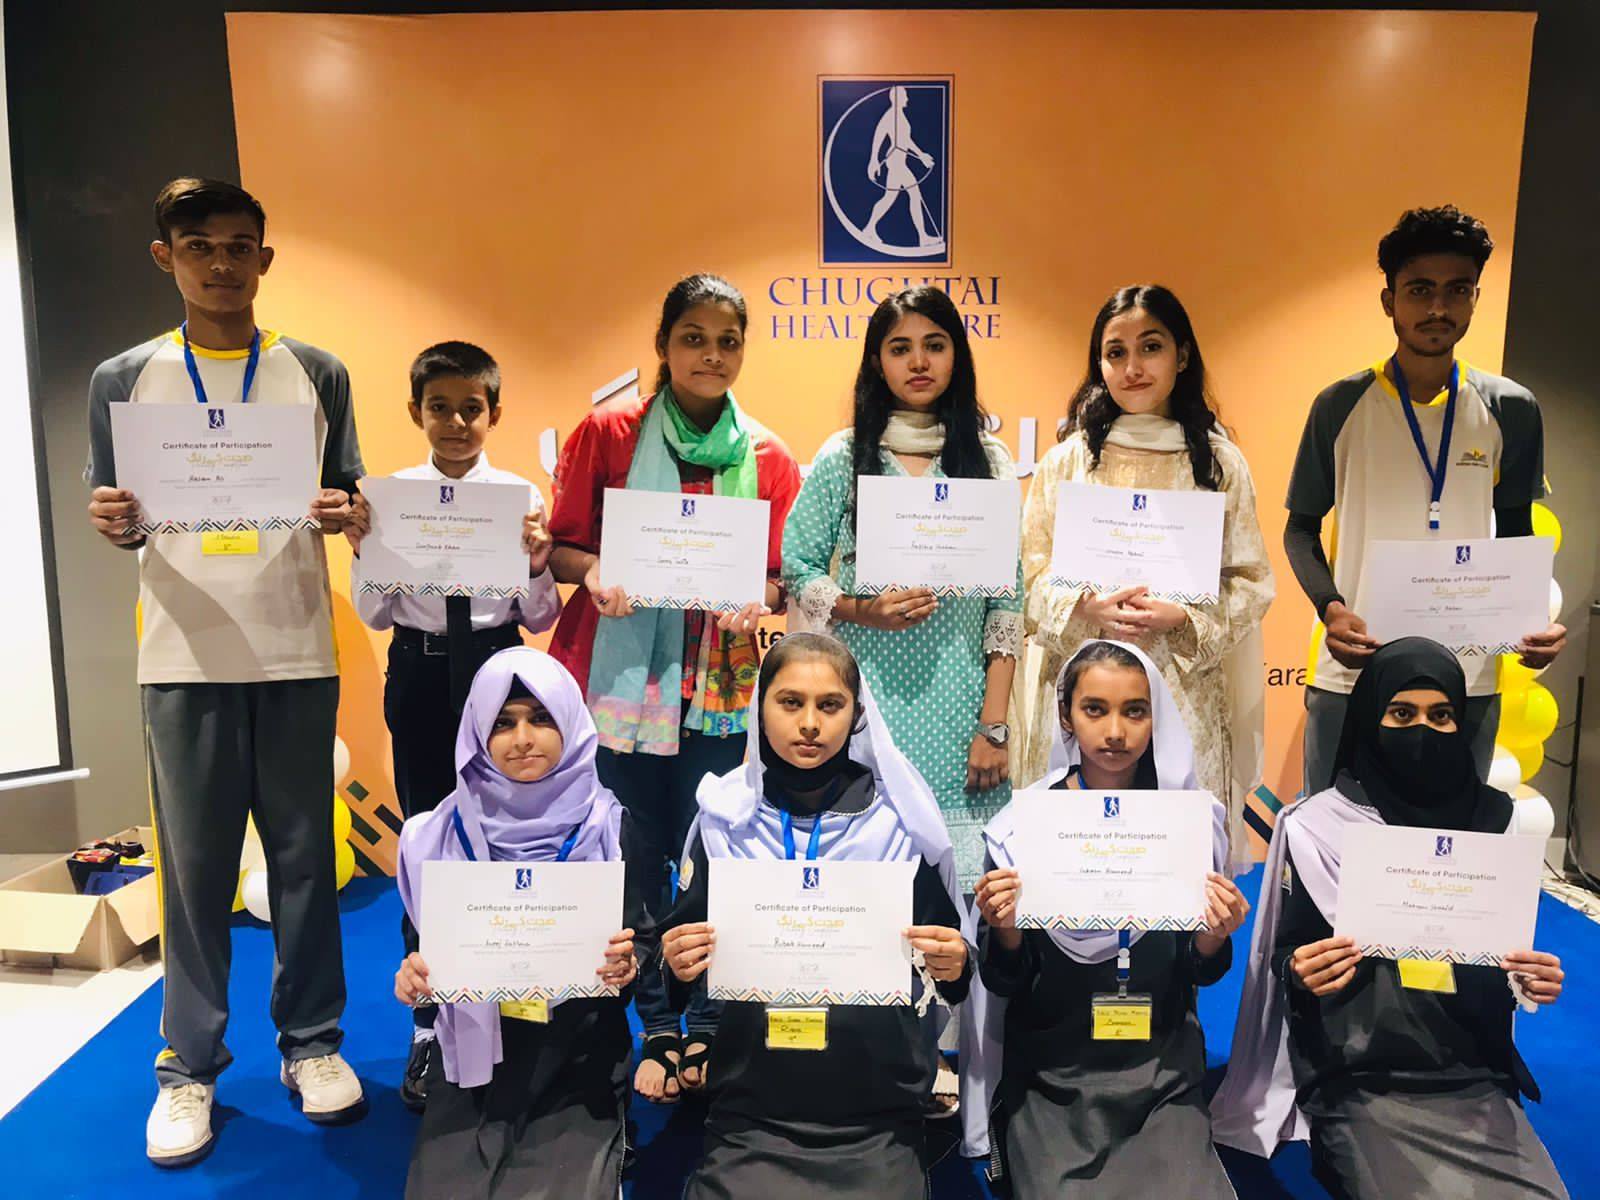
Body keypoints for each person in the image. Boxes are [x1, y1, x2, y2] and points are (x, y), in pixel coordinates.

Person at [84, 178, 365, 1166]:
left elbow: (348, 496)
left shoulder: (317, 372)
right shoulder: (123, 378)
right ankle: (188, 1067)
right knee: (194, 872)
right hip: (183, 657)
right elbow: (118, 513)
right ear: (166, 256)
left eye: (240, 245)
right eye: (199, 245)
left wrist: (348, 511)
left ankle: (313, 1044)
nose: (221, 263)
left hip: (296, 650)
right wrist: (114, 522)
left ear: (264, 259)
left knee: (304, 863)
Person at [547, 273, 802, 1103]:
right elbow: (561, 547)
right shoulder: (610, 433)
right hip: (620, 683)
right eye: (693, 337)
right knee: (633, 853)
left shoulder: (768, 456)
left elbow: (780, 577)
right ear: (663, 345)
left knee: (716, 851)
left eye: (728, 341)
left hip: (720, 694)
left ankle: (715, 1019)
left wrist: (758, 599)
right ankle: (657, 1022)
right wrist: (596, 574)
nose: (711, 355)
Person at [1210, 637, 1568, 1199]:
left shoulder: (1497, 820)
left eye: (1440, 716)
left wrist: (1528, 978)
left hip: (1469, 1074)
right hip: (1360, 1071)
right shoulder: (1320, 826)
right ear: (1369, 718)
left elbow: (1500, 956)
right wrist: (1300, 969)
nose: (1422, 730)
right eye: (1402, 714)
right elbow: (1285, 953)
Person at [661, 633, 972, 1198]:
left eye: (830, 705)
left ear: (856, 714)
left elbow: (952, 968)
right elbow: (678, 964)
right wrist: (678, 965)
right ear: (760, 708)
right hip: (752, 1105)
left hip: (874, 1105)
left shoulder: (899, 821)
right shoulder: (725, 817)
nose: (809, 723)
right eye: (790, 702)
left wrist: (954, 963)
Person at [343, 340, 560, 1110]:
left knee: (509, 835)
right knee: (429, 841)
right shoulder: (391, 498)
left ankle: (513, 998)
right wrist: (366, 549)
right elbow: (375, 614)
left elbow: (540, 615)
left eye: (472, 408)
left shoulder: (518, 495)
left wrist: (536, 560)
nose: (457, 422)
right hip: (420, 671)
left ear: (494, 413)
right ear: (416, 412)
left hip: (499, 672)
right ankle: (431, 1020)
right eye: (441, 408)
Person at [1284, 206, 1566, 793]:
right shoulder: (1339, 405)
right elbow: (1300, 529)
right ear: (1389, 301)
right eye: (1420, 290)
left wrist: (1530, 621)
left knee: (1450, 836)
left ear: (1475, 298)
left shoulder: (1511, 408)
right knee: (1331, 830)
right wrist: (1331, 609)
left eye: (1457, 290)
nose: (1438, 307)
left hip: (1467, 672)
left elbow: (1516, 528)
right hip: (1353, 668)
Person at [973, 639, 1245, 1196]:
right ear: (1066, 716)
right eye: (1095, 710)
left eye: (1134, 711)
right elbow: (1005, 980)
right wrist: (1005, 927)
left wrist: (1215, 937)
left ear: (1155, 718)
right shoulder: (1022, 830)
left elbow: (1200, 972)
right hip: (1054, 1070)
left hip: (1160, 1067)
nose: (1115, 732)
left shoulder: (1190, 823)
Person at [1021, 284, 1273, 869]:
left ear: (1182, 356)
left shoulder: (1218, 463)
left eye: (1150, 347)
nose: (1132, 368)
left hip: (1183, 692)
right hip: (1082, 693)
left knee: (1175, 867)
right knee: (1076, 864)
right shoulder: (1068, 461)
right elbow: (1027, 575)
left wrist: (1183, 616)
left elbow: (1251, 581)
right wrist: (1084, 607)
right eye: (1116, 353)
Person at [783, 284, 1022, 890]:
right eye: (900, 348)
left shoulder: (989, 460)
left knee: (964, 901)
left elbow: (1007, 605)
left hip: (961, 710)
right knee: (868, 889)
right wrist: (860, 609)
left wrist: (993, 728)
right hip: (864, 705)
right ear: (876, 362)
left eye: (934, 345)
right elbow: (798, 564)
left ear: (957, 355)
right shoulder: (844, 457)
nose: (918, 362)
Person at [393, 647, 649, 1199]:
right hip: (475, 1056)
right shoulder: (434, 836)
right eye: (503, 723)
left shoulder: (610, 828)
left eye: (540, 718)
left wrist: (630, 965)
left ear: (571, 723)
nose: (523, 739)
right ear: (477, 734)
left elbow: (643, 939)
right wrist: (414, 980)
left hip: (579, 1052)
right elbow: (424, 951)